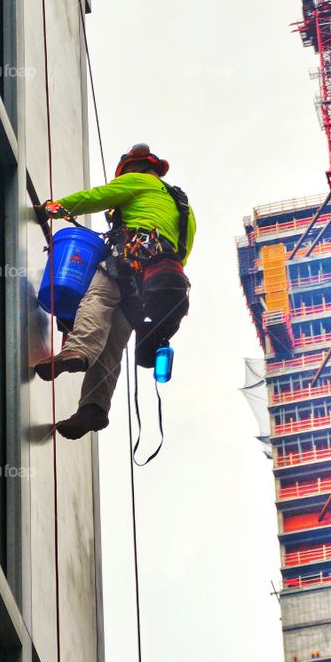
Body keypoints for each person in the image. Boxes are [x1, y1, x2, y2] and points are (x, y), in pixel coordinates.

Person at [35, 143, 196, 440]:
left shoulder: (138, 180)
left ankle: (78, 350)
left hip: (131, 256)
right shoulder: (183, 205)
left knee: (98, 298)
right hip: (157, 278)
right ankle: (94, 408)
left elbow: (95, 198)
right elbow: (183, 251)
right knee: (114, 340)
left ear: (132, 168)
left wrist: (53, 209)